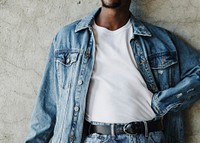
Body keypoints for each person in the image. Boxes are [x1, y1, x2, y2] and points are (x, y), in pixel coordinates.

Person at [25, 0, 200, 143]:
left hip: (147, 138)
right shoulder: (68, 38)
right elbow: (47, 105)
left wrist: (163, 103)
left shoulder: (160, 40)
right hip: (93, 138)